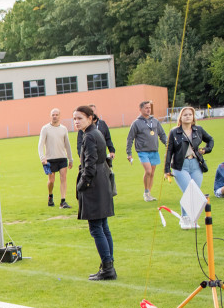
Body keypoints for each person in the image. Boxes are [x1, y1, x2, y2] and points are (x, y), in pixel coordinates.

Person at [73, 105, 117, 281]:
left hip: (95, 184)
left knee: (97, 228)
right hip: (101, 181)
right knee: (103, 227)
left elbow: (90, 164)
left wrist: (82, 184)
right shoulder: (92, 134)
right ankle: (108, 265)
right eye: (75, 118)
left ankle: (107, 267)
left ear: (91, 118)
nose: (76, 122)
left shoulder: (90, 136)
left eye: (80, 118)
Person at [165, 106, 215, 230]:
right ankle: (185, 219)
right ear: (180, 117)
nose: (188, 116)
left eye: (190, 114)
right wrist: (166, 170)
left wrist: (205, 150)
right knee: (188, 192)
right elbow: (169, 151)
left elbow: (210, 140)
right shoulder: (174, 132)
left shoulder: (198, 130)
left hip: (196, 165)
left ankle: (193, 220)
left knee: (195, 193)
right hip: (180, 166)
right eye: (185, 114)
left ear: (193, 118)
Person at [126, 100, 168, 202]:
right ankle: (146, 192)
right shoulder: (136, 123)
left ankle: (149, 193)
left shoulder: (155, 121)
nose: (148, 109)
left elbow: (162, 134)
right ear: (140, 109)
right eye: (146, 108)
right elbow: (130, 138)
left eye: (149, 108)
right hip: (142, 151)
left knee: (152, 173)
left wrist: (168, 145)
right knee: (148, 171)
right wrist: (129, 153)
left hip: (154, 150)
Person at [38, 108, 73, 209]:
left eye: (57, 115)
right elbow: (40, 145)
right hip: (50, 159)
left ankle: (63, 201)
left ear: (60, 116)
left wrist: (70, 159)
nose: (55, 116)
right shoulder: (45, 128)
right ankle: (50, 195)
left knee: (63, 178)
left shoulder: (63, 129)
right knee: (51, 180)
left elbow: (67, 145)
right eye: (53, 115)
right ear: (50, 116)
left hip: (62, 158)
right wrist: (42, 158)